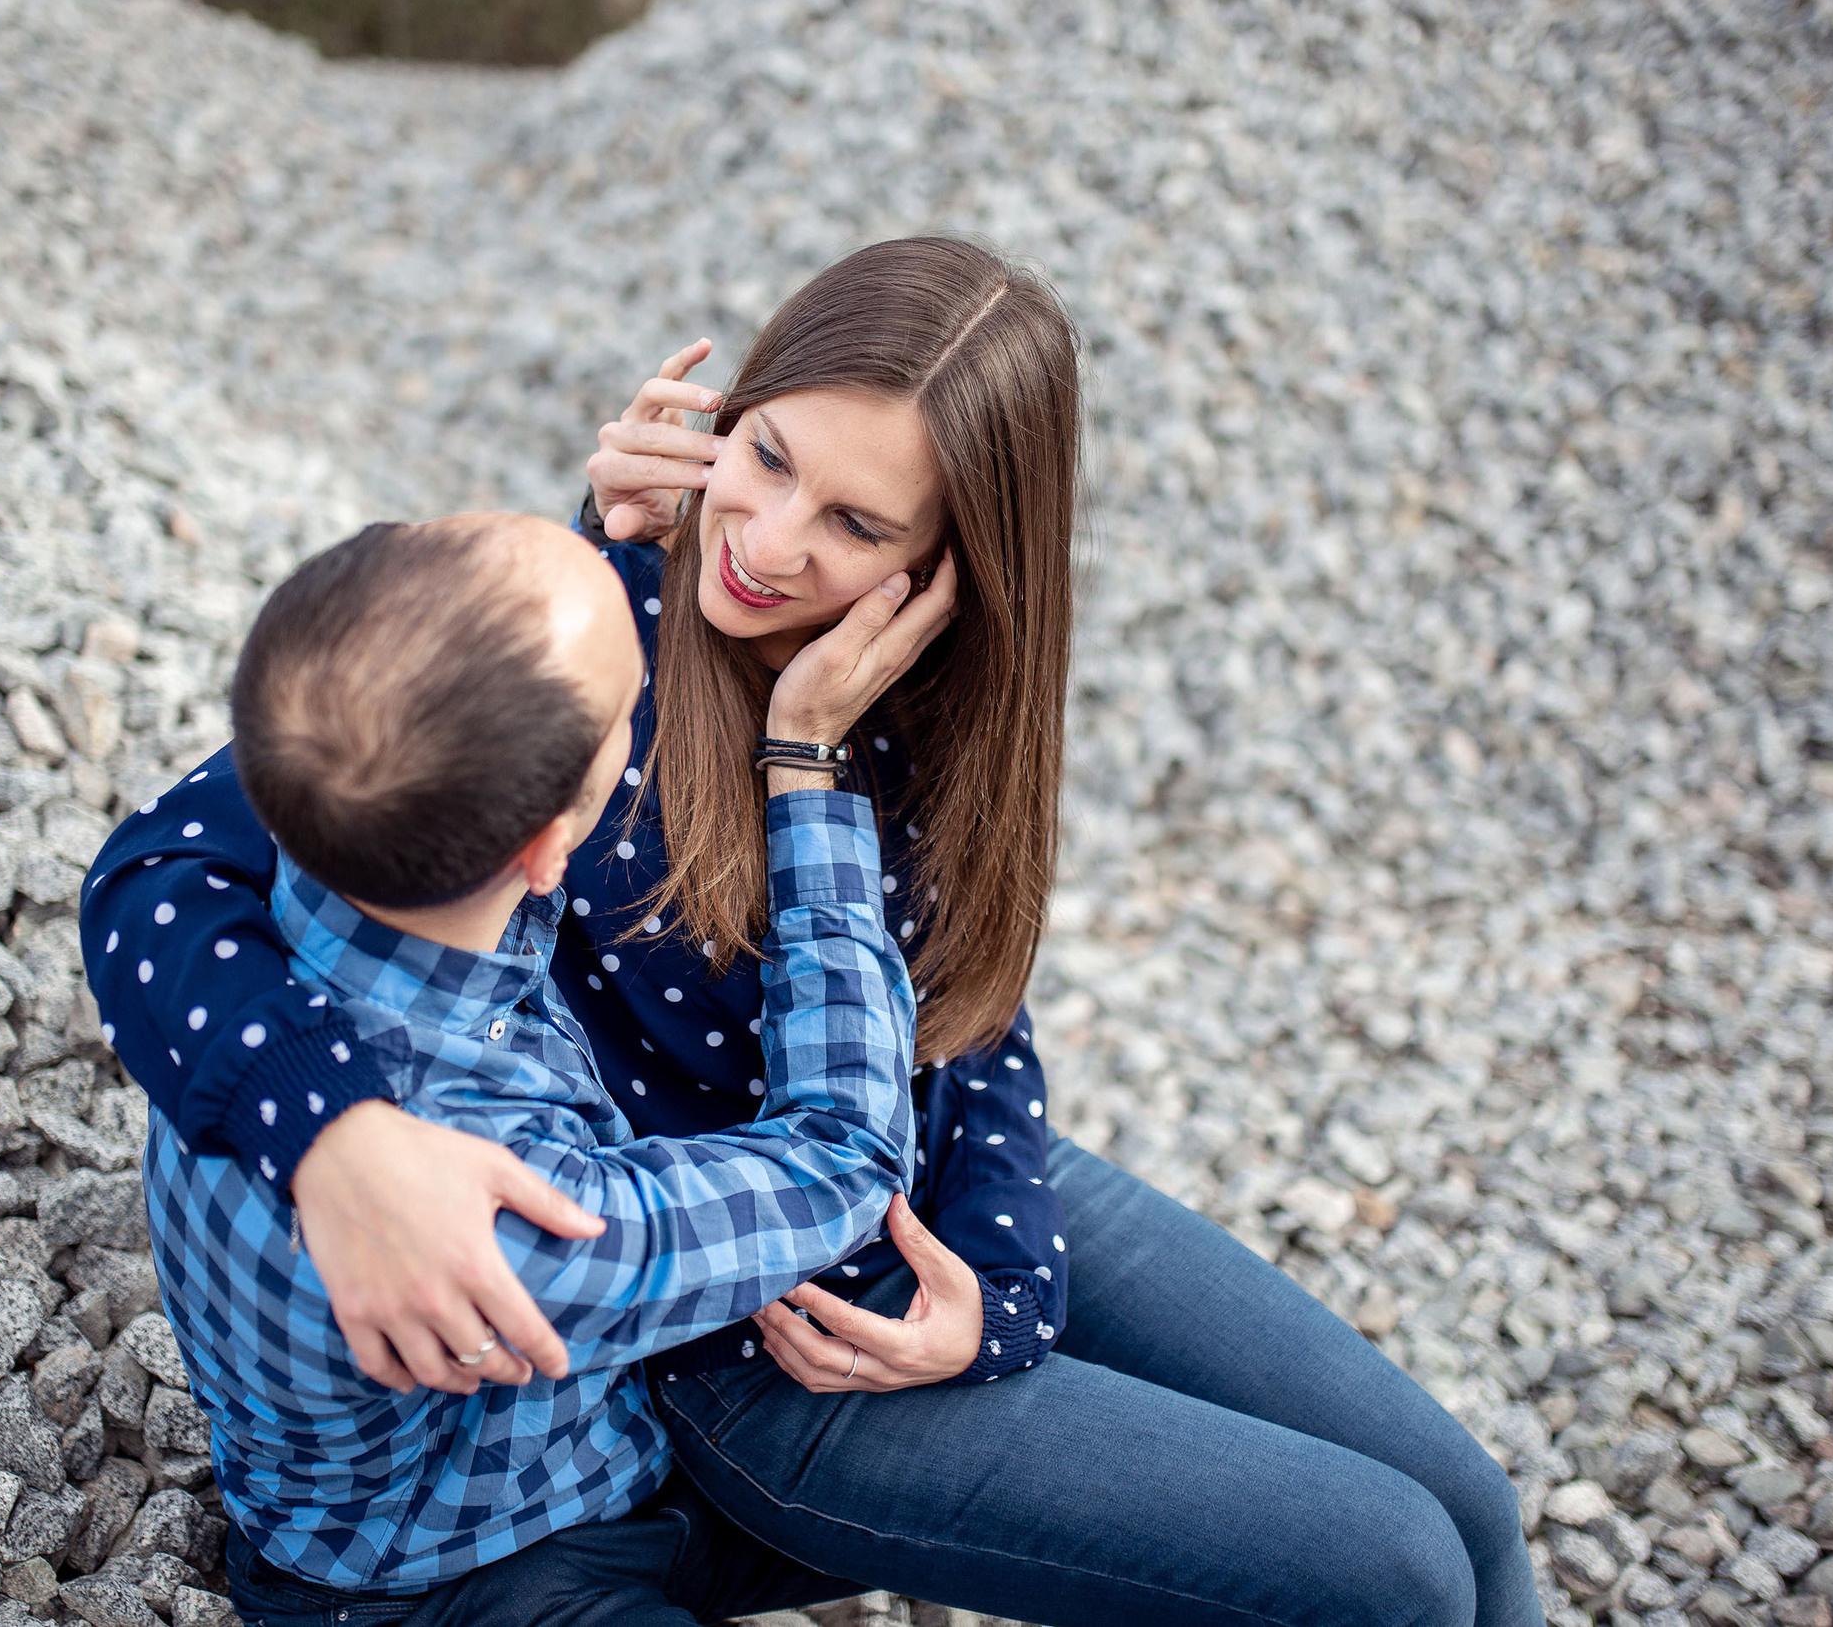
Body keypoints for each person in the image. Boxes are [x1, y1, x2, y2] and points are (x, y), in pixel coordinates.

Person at [88, 239, 1541, 1627]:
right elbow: (160, 881)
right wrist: (333, 1132)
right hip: (742, 1319)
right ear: (723, 413)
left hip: (917, 1184)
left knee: (1472, 1512)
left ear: (952, 569)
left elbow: (965, 1024)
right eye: (767, 456)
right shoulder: (565, 649)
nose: (770, 545)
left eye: (855, 523)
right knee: (1396, 1575)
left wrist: (1001, 1293)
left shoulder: (918, 701)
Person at [91, 512, 945, 1623]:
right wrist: (807, 769)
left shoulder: (294, 898)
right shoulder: (484, 1193)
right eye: (628, 707)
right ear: (550, 847)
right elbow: (846, 1158)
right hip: (455, 1579)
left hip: (556, 1461)